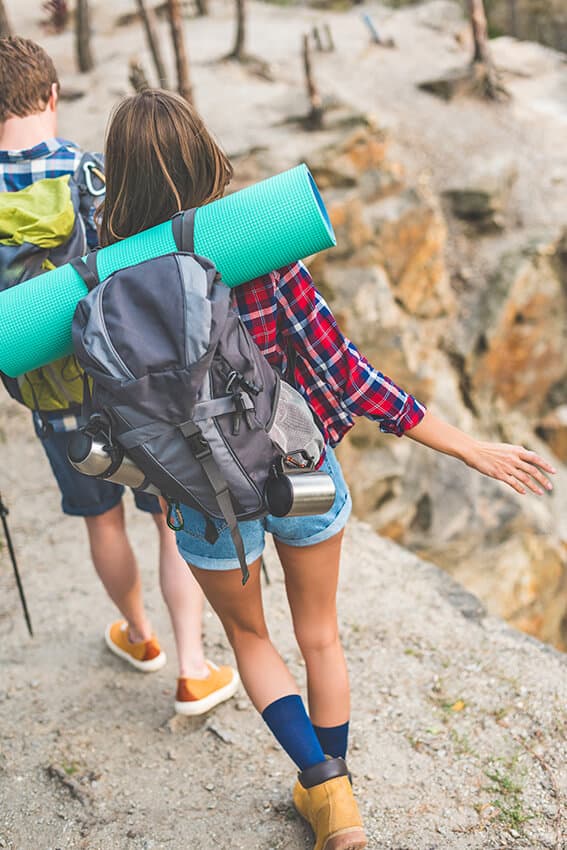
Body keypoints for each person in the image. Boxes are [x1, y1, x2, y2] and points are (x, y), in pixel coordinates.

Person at [98, 89, 556, 850]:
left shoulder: (106, 285)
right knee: (320, 637)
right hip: (297, 466)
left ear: (120, 179)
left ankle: (328, 796)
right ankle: (332, 789)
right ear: (207, 156)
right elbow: (346, 374)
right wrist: (467, 445)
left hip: (202, 495)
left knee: (250, 640)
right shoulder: (260, 251)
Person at [0, 37, 239, 716]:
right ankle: (192, 668)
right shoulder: (95, 173)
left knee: (101, 522)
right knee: (167, 516)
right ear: (52, 96)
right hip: (127, 382)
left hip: (53, 400)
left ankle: (140, 636)